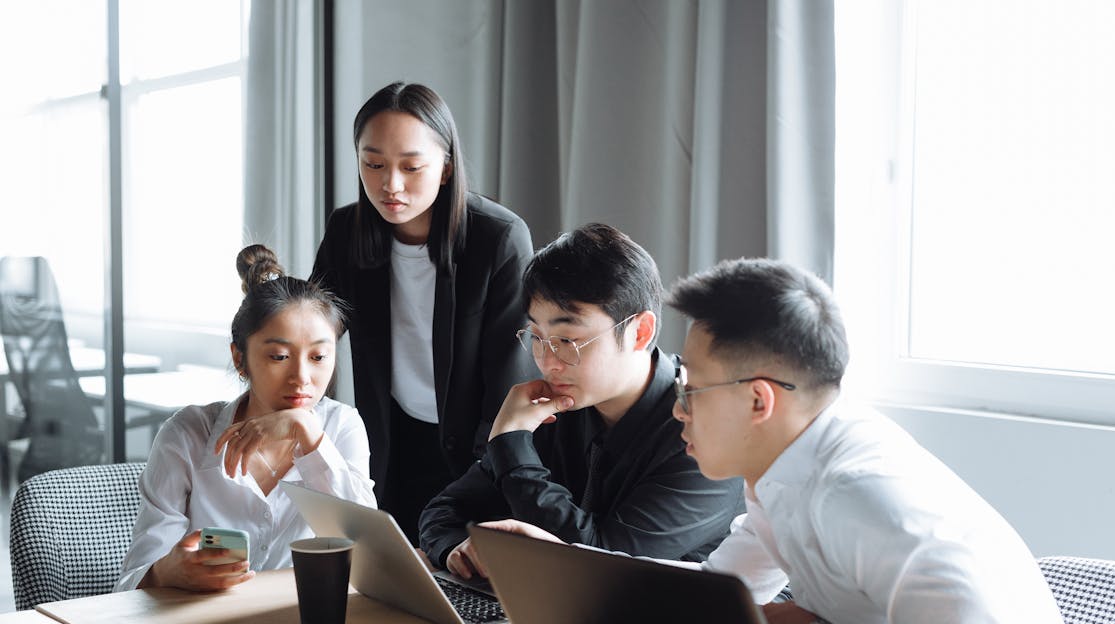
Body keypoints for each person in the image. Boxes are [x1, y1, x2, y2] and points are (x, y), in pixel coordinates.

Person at [466, 258, 1105, 624]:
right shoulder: (782, 471)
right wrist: (570, 565)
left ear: (759, 399)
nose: (679, 409)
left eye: (691, 389)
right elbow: (718, 593)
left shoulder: (863, 495)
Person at [418, 223, 744, 577]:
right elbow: (446, 509)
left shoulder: (705, 429)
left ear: (640, 332)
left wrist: (511, 446)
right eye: (538, 337)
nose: (546, 361)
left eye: (567, 340)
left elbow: (602, 560)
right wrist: (454, 551)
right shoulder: (560, 404)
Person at [310, 81, 535, 546]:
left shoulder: (498, 239)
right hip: (390, 442)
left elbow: (507, 381)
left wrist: (486, 473)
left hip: (478, 452)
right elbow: (311, 331)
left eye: (412, 167)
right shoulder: (346, 233)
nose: (391, 185)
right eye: (373, 164)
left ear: (446, 167)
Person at [115, 245, 377, 592]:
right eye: (280, 356)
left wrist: (308, 435)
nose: (301, 377)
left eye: (318, 356)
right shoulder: (187, 435)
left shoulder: (341, 427)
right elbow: (131, 582)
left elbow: (370, 555)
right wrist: (167, 572)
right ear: (239, 359)